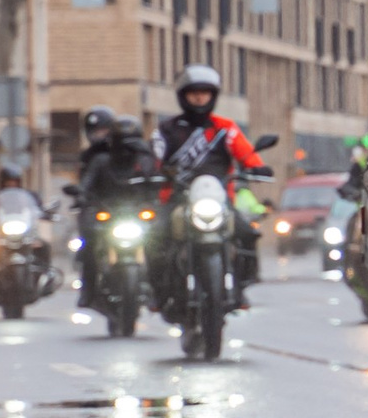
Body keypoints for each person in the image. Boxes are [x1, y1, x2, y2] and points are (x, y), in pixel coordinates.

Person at [152, 62, 269, 310]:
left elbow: (246, 153)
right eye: (194, 92)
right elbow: (153, 157)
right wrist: (151, 170)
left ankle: (241, 286)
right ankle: (158, 291)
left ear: (213, 96)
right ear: (183, 96)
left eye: (204, 92)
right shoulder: (166, 130)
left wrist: (257, 166)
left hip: (218, 200)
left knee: (248, 233)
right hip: (177, 198)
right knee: (153, 236)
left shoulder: (225, 128)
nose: (199, 97)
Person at [73, 108, 155, 307]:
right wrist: (81, 195)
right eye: (122, 140)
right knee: (89, 242)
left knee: (160, 240)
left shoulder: (144, 159)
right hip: (108, 211)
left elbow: (156, 181)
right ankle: (89, 287)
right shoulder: (99, 159)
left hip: (136, 212)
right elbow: (87, 182)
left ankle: (158, 285)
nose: (126, 146)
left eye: (132, 140)